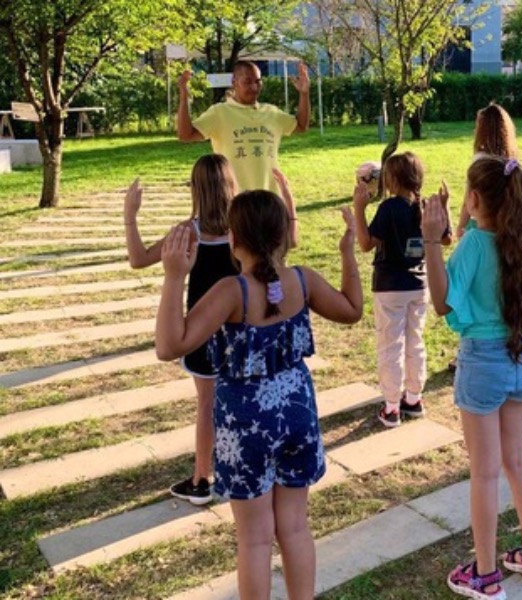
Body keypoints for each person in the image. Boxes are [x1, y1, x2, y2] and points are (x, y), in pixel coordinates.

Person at [155, 191, 363, 600]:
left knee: (254, 540)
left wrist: (174, 276)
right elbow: (353, 309)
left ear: (234, 241)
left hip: (244, 427)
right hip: (297, 414)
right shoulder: (303, 281)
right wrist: (347, 253)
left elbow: (169, 345)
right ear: (286, 235)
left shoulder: (232, 292)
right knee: (296, 526)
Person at [421, 156, 522, 600]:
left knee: (485, 474)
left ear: (474, 198)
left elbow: (444, 302)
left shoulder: (473, 245)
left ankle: (485, 576)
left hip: (483, 364)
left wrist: (431, 241)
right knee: (517, 461)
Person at [124, 154, 239, 505]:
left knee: (207, 403)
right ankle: (241, 467)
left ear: (196, 189)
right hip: (241, 330)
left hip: (201, 334)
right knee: (240, 398)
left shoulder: (188, 232)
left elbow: (139, 258)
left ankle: (201, 478)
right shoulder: (243, 228)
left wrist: (130, 217)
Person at [352, 152, 451, 428]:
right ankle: (414, 398)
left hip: (389, 288)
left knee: (390, 345)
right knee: (415, 341)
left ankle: (392, 407)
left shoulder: (389, 208)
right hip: (419, 287)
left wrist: (359, 209)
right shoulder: (428, 205)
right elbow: (447, 239)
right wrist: (445, 206)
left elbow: (365, 243)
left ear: (392, 179)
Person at [177, 60, 310, 195]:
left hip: (271, 199)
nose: (254, 87)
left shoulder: (271, 112)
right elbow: (186, 135)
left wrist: (304, 94)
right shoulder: (219, 113)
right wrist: (183, 99)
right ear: (234, 82)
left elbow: (300, 126)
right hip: (234, 199)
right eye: (247, 82)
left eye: (258, 81)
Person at [455, 102, 519, 238]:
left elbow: (470, 195)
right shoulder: (511, 161)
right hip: (507, 224)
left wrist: (461, 225)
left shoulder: (480, 160)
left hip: (481, 224)